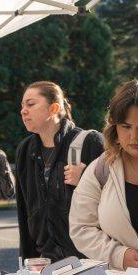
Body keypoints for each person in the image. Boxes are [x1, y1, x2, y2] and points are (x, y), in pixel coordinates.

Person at [70, 80, 138, 270]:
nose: (134, 137)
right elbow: (81, 227)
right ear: (114, 127)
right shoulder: (101, 168)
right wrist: (119, 255)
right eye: (126, 126)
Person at [16, 81, 104, 262]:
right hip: (45, 261)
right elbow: (24, 209)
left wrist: (87, 179)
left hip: (87, 260)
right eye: (22, 106)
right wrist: (28, 261)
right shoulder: (25, 150)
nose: (23, 111)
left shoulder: (89, 142)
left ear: (53, 108)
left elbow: (117, 198)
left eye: (31, 104)